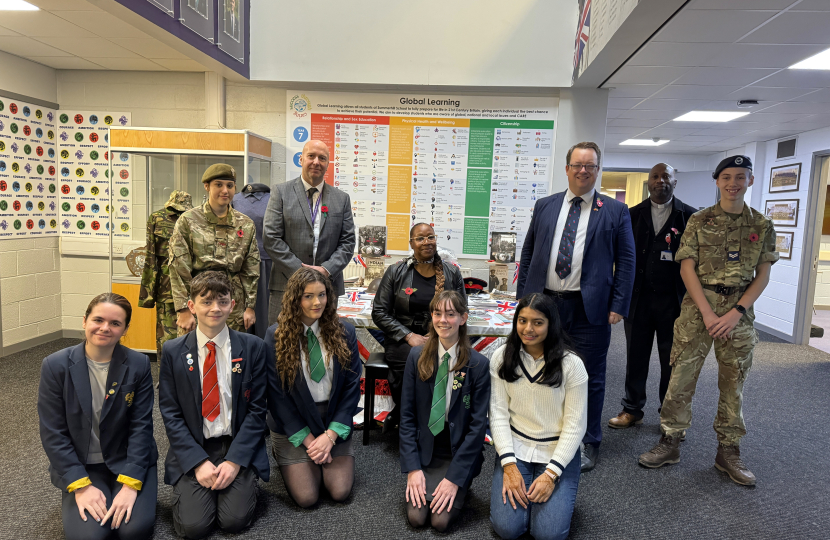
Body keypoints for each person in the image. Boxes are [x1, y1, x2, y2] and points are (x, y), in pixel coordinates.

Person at [638, 155, 778, 487]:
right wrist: (707, 312)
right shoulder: (699, 220)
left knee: (733, 383)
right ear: (717, 181)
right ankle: (670, 441)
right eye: (727, 177)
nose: (733, 183)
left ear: (750, 181)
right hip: (697, 309)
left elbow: (763, 274)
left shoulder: (761, 224)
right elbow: (686, 267)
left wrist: (735, 313)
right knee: (680, 376)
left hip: (738, 314)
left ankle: (728, 451)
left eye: (740, 177)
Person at [517, 141, 635, 472]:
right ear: (567, 168)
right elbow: (529, 254)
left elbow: (626, 262)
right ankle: (545, 433)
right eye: (577, 165)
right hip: (544, 307)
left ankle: (588, 441)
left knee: (590, 377)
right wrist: (523, 301)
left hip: (589, 309)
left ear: (598, 170)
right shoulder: (545, 206)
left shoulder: (615, 211)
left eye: (590, 166)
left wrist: (619, 304)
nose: (583, 171)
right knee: (540, 370)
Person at [38, 293, 158, 540]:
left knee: (132, 530)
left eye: (115, 323)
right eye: (98, 320)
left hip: (126, 460)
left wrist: (130, 485)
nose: (105, 328)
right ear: (84, 321)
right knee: (88, 536)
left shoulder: (139, 364)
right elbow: (53, 433)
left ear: (124, 330)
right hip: (82, 464)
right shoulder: (55, 366)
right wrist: (81, 486)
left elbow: (141, 427)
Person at [159, 271, 269, 538]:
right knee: (193, 528)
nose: (215, 308)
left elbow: (257, 410)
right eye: (206, 301)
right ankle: (197, 480)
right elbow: (171, 413)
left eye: (222, 301)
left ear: (233, 305)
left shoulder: (253, 347)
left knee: (233, 521)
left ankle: (244, 478)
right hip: (197, 446)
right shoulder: (173, 351)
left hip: (236, 443)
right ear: (192, 306)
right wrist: (198, 463)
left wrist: (234, 462)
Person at [489, 293, 587, 540]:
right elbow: (498, 415)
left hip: (556, 452)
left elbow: (575, 426)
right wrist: (509, 466)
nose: (528, 329)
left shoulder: (572, 365)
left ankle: (553, 496)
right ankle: (530, 492)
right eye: (522, 320)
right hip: (516, 448)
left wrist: (552, 474)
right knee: (507, 529)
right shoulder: (501, 356)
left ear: (551, 324)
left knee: (549, 535)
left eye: (538, 322)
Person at [608, 163, 697, 429]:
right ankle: (632, 408)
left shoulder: (690, 217)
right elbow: (620, 258)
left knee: (672, 359)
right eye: (655, 177)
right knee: (636, 356)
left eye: (666, 176)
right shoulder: (631, 215)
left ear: (675, 182)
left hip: (674, 302)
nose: (660, 181)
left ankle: (667, 410)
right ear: (648, 182)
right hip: (638, 300)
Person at [264, 267, 361, 507]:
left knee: (339, 491)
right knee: (307, 497)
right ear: (295, 298)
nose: (317, 302)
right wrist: (310, 442)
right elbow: (277, 398)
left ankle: (323, 450)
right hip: (295, 423)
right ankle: (284, 451)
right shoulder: (276, 336)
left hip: (332, 420)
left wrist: (329, 437)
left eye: (322, 295)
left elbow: (351, 387)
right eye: (308, 296)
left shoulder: (345, 331)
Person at [399, 290, 491, 533]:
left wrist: (454, 479)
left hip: (458, 452)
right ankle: (427, 477)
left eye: (450, 314)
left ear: (463, 318)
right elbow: (407, 417)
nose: (443, 320)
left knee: (440, 522)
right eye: (437, 313)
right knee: (417, 519)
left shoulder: (478, 365)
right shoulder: (417, 357)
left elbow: (477, 429)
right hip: (425, 451)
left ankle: (461, 484)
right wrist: (413, 469)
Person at [372, 223, 466, 429]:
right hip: (403, 337)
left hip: (442, 335)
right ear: (411, 243)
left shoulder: (452, 273)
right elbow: (379, 312)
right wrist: (407, 336)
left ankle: (434, 418)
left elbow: (462, 309)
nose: (426, 242)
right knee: (409, 364)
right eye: (420, 238)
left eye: (430, 237)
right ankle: (409, 418)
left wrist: (440, 336)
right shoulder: (396, 272)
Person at [263, 140, 356, 322]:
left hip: (326, 290)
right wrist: (300, 272)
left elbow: (348, 242)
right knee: (282, 343)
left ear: (327, 164)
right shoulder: (281, 192)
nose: (316, 162)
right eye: (311, 156)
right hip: (286, 285)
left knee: (324, 343)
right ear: (301, 159)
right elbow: (271, 237)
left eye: (322, 158)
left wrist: (326, 270)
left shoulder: (341, 199)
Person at [169, 163, 260, 336]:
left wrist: (249, 307)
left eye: (230, 186)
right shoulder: (188, 221)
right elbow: (178, 267)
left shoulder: (245, 224)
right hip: (198, 301)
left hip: (233, 304)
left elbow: (251, 269)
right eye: (218, 185)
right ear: (207, 186)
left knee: (232, 354)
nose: (225, 190)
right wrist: (183, 309)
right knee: (194, 354)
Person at [139, 190, 193, 357]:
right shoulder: (157, 218)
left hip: (188, 290)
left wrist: (148, 296)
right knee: (169, 342)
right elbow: (151, 257)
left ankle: (177, 381)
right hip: (169, 290)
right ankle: (165, 381)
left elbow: (150, 259)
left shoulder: (197, 219)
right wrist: (147, 296)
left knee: (182, 340)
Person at [232, 182, 272, 339]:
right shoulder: (234, 200)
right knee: (238, 311)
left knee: (264, 313)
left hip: (267, 263)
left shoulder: (274, 199)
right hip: (238, 263)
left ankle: (263, 353)